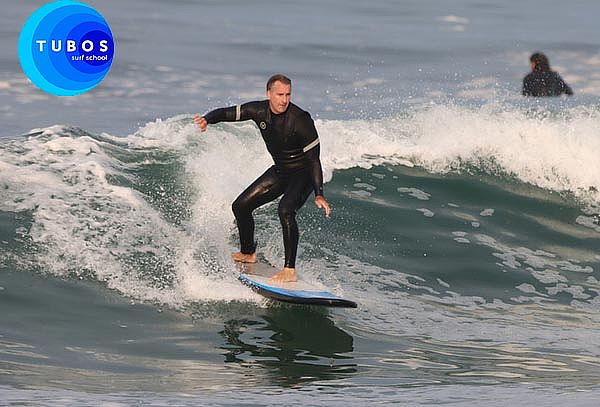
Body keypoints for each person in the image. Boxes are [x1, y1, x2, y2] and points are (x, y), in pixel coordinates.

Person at [194, 74, 331, 283]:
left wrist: (319, 193)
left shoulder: (301, 119)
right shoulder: (258, 110)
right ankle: (248, 253)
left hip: (302, 174)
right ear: (269, 94)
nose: (284, 100)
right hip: (281, 171)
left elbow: (314, 160)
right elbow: (229, 113)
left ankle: (289, 270)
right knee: (240, 206)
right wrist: (207, 119)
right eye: (279, 95)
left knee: (285, 210)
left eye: (288, 94)